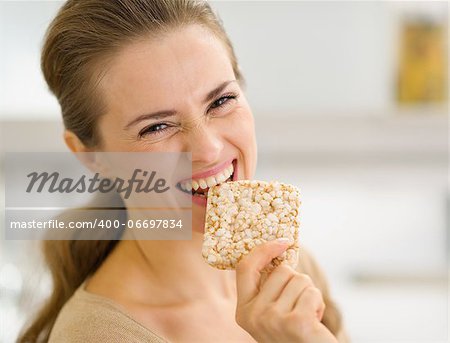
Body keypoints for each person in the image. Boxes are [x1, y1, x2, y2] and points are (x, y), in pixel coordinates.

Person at [18, 1, 349, 342]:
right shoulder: (99, 336)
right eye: (157, 127)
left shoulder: (287, 271)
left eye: (220, 102)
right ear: (92, 156)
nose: (208, 150)